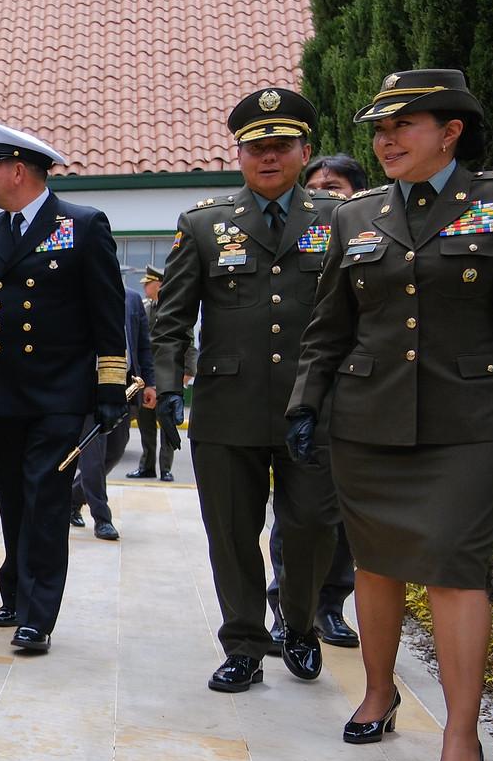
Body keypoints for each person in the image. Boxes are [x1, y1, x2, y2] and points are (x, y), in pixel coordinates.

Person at [288, 69, 493, 761]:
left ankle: (459, 733)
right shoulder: (356, 216)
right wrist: (304, 402)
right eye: (378, 130)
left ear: (449, 132)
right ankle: (379, 694)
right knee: (376, 563)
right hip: (367, 418)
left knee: (453, 567)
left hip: (472, 425)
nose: (383, 140)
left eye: (400, 127)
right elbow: (328, 329)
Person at [152, 88, 341, 695]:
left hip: (313, 407)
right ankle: (243, 643)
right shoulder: (204, 225)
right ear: (239, 154)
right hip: (227, 409)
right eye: (256, 147)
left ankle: (301, 626)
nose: (268, 157)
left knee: (311, 524)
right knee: (231, 531)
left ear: (304, 152)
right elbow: (173, 320)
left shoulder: (340, 220)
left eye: (281, 146)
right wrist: (169, 385)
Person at [0, 123, 126, 655]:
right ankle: (16, 594)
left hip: (57, 394)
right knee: (10, 500)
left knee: (45, 501)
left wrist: (110, 385)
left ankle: (38, 614)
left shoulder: (82, 224)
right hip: (3, 396)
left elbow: (107, 312)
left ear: (19, 170)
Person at [265, 153, 370, 650]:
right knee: (300, 512)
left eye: (337, 186)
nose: (327, 194)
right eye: (318, 186)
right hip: (303, 391)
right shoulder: (300, 234)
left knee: (344, 514)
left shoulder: (375, 238)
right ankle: (287, 604)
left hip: (360, 390)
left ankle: (329, 604)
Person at [70, 278, 151, 540]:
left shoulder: (132, 299)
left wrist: (149, 383)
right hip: (88, 384)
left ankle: (72, 496)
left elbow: (143, 345)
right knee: (92, 456)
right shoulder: (79, 294)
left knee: (116, 448)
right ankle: (102, 518)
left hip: (122, 386)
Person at [126, 266, 186, 479]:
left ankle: (166, 469)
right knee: (146, 426)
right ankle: (147, 466)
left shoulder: (173, 309)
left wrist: (188, 371)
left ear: (159, 283)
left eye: (147, 282)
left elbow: (186, 342)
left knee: (167, 425)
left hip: (167, 378)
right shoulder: (144, 307)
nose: (144, 286)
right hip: (145, 378)